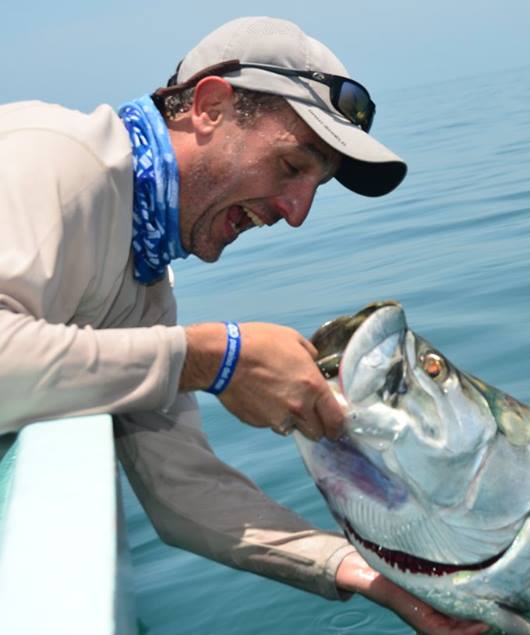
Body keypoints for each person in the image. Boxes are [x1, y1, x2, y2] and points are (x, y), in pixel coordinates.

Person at [0, 16, 486, 635]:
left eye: (318, 186)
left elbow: (185, 494)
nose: (297, 213)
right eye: (291, 166)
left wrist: (376, 581)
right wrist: (215, 358)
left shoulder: (141, 283)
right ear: (209, 106)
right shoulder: (57, 159)